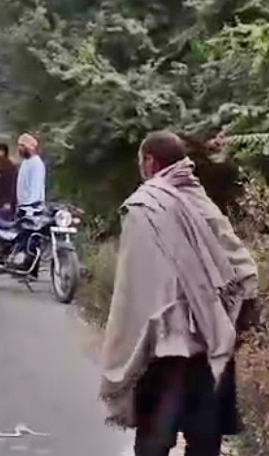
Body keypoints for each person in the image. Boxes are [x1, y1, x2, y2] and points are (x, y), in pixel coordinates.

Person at [99, 130, 259, 456]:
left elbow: (134, 291)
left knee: (155, 441)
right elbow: (245, 270)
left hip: (167, 350)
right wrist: (230, 323)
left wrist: (124, 348)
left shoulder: (144, 207)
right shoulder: (201, 200)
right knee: (204, 442)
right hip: (212, 345)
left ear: (149, 162)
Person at [15, 133, 46, 212]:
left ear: (31, 147)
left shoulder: (36, 163)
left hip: (31, 211)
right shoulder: (25, 162)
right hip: (22, 208)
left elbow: (35, 189)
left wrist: (29, 211)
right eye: (19, 145)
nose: (19, 148)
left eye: (22, 145)